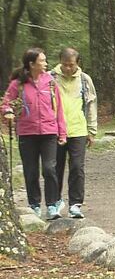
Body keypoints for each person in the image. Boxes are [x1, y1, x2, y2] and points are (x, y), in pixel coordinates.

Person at [1, 48, 67, 220]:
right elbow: (6, 103)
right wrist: (8, 111)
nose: (46, 63)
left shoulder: (51, 82)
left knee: (49, 168)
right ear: (32, 64)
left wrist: (62, 132)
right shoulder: (18, 84)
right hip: (27, 133)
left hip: (49, 132)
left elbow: (59, 109)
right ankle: (34, 205)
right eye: (42, 60)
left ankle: (53, 205)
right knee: (31, 171)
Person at [50, 47, 98, 219]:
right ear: (60, 62)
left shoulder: (85, 80)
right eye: (65, 64)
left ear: (77, 63)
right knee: (55, 168)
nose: (68, 68)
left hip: (78, 129)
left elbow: (91, 104)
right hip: (54, 130)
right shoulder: (50, 78)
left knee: (77, 167)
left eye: (71, 65)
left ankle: (75, 204)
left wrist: (91, 130)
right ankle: (54, 203)